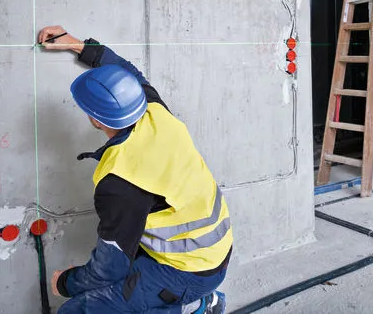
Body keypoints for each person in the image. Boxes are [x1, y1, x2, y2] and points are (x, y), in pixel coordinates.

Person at [37, 26, 231, 314]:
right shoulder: (156, 111)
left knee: (76, 309)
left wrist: (64, 283)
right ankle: (205, 304)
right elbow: (126, 71)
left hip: (189, 271)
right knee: (131, 290)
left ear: (95, 118)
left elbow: (108, 270)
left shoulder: (119, 181)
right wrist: (77, 45)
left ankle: (198, 302)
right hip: (212, 251)